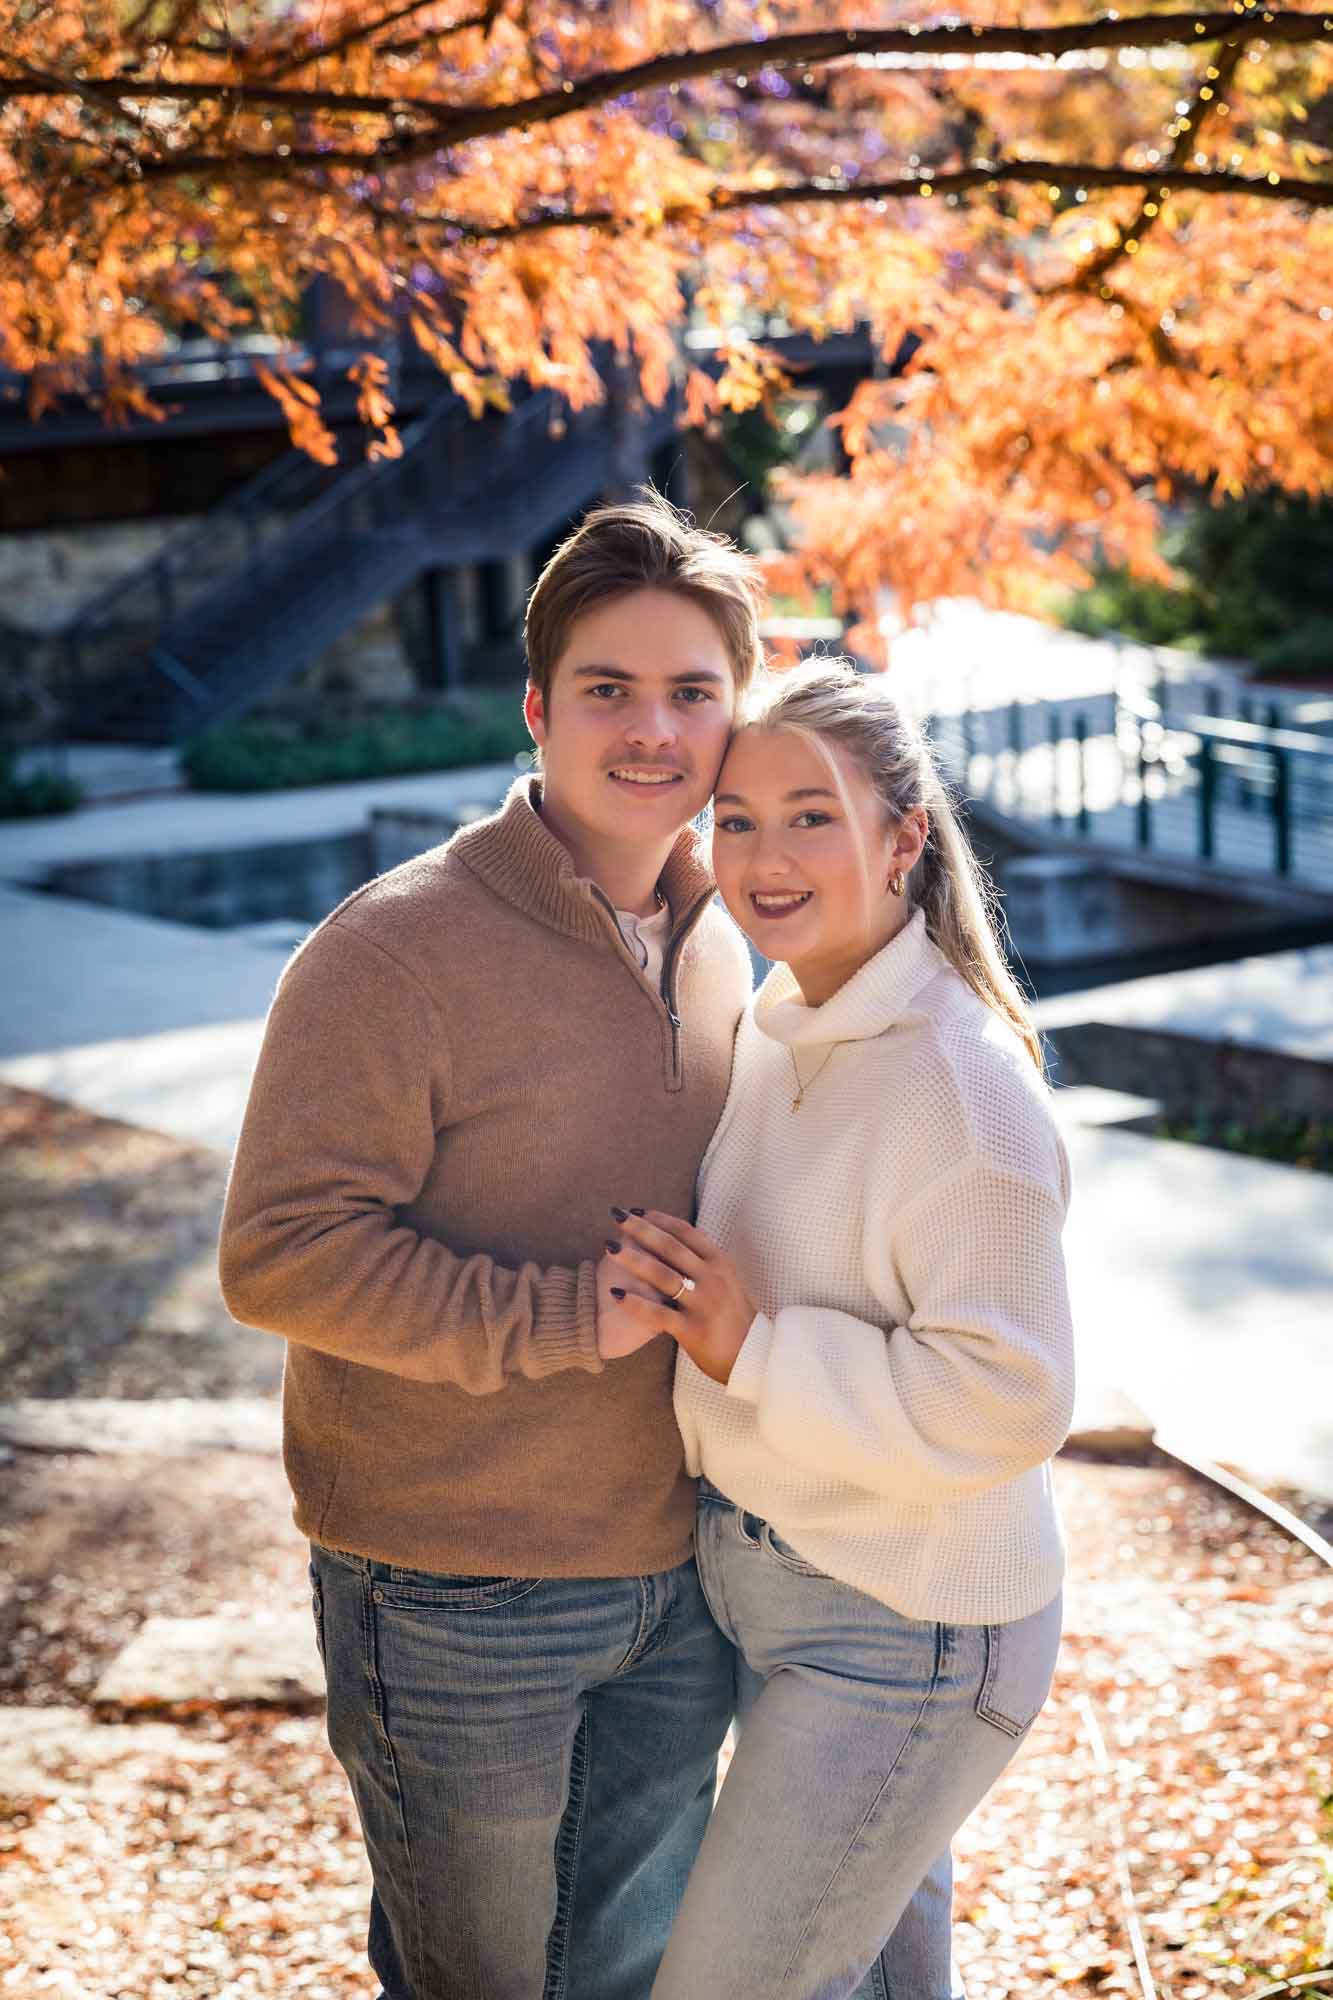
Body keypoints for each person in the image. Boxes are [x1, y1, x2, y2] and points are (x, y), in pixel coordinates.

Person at [217, 490, 764, 2000]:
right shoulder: (392, 950)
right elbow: (277, 1254)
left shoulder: (721, 931)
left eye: (691, 693)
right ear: (536, 707)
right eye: (608, 690)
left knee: (633, 1967)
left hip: (678, 1566)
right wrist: (555, 1318)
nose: (651, 730)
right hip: (449, 1589)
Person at [596, 657, 1076, 2000]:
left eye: (810, 814)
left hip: (908, 1623)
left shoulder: (956, 1086)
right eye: (735, 819)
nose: (763, 854)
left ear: (902, 837)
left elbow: (1007, 1403)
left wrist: (751, 1347)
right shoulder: (784, 1017)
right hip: (780, 1588)